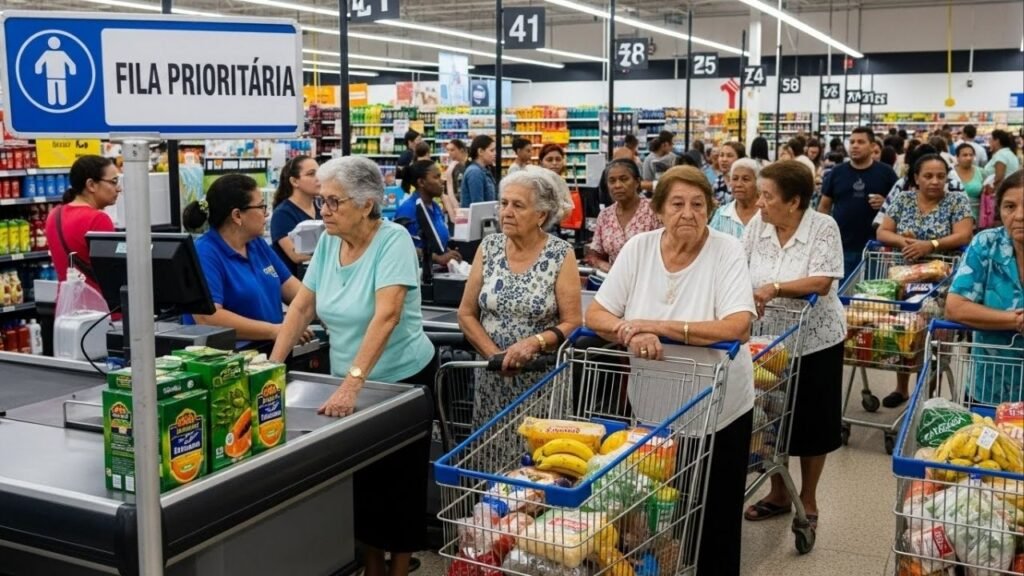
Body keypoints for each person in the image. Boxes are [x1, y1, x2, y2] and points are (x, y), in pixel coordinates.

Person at [585, 165, 755, 576]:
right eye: (677, 204)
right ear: (659, 210)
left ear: (710, 209)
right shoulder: (639, 248)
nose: (688, 213)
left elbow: (738, 326)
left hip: (717, 408)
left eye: (698, 204)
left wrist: (655, 326)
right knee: (653, 516)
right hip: (652, 409)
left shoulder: (726, 250)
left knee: (714, 518)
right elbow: (597, 314)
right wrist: (629, 331)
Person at [269, 156, 435, 576]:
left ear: (366, 205)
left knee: (398, 486)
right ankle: (372, 567)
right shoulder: (329, 241)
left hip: (401, 381)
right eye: (321, 201)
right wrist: (270, 370)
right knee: (362, 485)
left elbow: (387, 316)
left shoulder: (393, 240)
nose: (323, 211)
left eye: (333, 202)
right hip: (347, 380)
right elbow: (302, 306)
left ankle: (399, 569)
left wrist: (352, 384)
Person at [740, 161, 846, 534]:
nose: (759, 203)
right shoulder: (758, 226)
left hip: (815, 341)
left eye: (767, 196)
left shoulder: (823, 227)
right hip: (768, 343)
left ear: (794, 201)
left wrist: (775, 288)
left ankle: (809, 498)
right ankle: (779, 493)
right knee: (772, 417)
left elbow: (821, 282)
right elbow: (739, 267)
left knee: (813, 423)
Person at [457, 166, 582, 444]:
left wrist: (534, 343)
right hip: (492, 379)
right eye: (504, 203)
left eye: (518, 205)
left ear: (541, 215)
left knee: (539, 457)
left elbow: (573, 322)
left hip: (540, 378)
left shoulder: (560, 254)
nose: (507, 212)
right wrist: (495, 356)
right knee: (489, 452)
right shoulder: (489, 247)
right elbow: (466, 313)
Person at [875, 154, 974, 407]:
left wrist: (930, 245)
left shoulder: (956, 201)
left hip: (941, 284)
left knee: (935, 340)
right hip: (904, 280)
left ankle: (928, 393)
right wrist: (905, 242)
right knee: (904, 333)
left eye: (941, 176)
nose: (935, 181)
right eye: (928, 176)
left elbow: (964, 235)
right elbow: (882, 231)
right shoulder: (903, 199)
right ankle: (901, 388)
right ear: (916, 178)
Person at [184, 174, 311, 344]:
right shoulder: (205, 253)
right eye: (261, 207)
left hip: (270, 351)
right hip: (231, 357)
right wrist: (275, 331)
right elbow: (208, 317)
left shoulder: (256, 244)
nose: (266, 214)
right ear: (237, 215)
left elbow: (296, 292)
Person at [946, 169, 1024, 404]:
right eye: (1010, 206)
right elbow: (955, 307)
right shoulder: (986, 243)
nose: (1019, 216)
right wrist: (1016, 321)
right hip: (990, 385)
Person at [818, 126, 899, 279]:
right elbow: (824, 206)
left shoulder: (886, 172)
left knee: (872, 290)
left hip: (876, 247)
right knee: (842, 290)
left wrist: (886, 203)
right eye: (852, 142)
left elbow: (900, 205)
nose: (855, 146)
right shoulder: (837, 172)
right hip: (842, 245)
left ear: (873, 146)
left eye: (861, 142)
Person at [45, 155, 120, 293]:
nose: (119, 188)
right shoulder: (98, 220)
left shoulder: (54, 214)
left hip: (66, 302)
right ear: (91, 185)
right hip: (97, 303)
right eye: (114, 181)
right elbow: (112, 274)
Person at [588, 159, 661, 272]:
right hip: (615, 279)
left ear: (637, 182)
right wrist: (601, 264)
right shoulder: (605, 215)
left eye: (624, 179)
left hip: (648, 277)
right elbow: (595, 253)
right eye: (612, 181)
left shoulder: (654, 210)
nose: (617, 185)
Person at [396, 160, 462, 267]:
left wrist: (448, 252)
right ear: (421, 182)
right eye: (436, 177)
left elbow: (437, 240)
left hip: (438, 271)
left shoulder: (435, 207)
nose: (442, 181)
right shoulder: (407, 210)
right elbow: (401, 247)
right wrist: (436, 258)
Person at [270, 155, 321, 278]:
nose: (318, 178)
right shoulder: (282, 214)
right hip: (295, 283)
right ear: (294, 181)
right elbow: (296, 255)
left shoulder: (321, 208)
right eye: (311, 174)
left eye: (319, 173)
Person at [709, 158, 760, 239]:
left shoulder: (767, 214)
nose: (738, 184)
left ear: (758, 183)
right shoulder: (721, 214)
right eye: (735, 179)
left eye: (745, 179)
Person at [460, 134, 497, 207]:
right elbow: (478, 206)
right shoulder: (475, 172)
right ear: (480, 151)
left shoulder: (485, 170)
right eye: (492, 150)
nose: (495, 153)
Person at [954, 143, 985, 221]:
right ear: (957, 157)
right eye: (965, 155)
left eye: (971, 155)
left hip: (977, 216)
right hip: (955, 215)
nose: (969, 158)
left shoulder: (981, 172)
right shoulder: (950, 173)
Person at [713, 141, 745, 206]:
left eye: (729, 156)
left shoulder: (745, 183)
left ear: (740, 159)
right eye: (721, 155)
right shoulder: (716, 182)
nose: (724, 159)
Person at [444, 138, 469, 203]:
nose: (449, 153)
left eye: (452, 150)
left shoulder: (466, 166)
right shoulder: (454, 166)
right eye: (448, 150)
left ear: (461, 150)